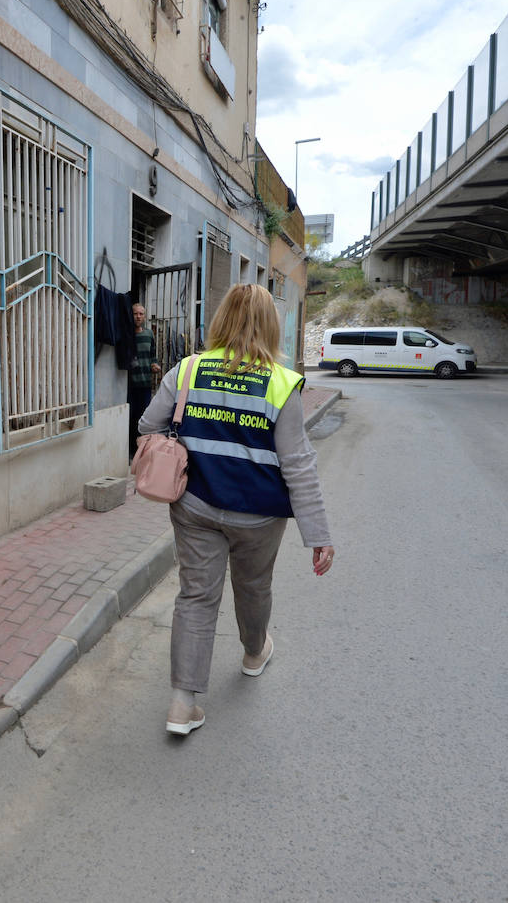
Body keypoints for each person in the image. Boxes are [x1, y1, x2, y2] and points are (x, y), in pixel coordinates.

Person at [137, 283, 334, 737]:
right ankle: (252, 652)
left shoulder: (186, 371)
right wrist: (318, 533)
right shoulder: (281, 384)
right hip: (259, 516)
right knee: (253, 586)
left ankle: (182, 705)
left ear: (221, 319)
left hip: (195, 506)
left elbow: (149, 425)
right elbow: (298, 465)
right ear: (270, 326)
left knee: (196, 596)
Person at [128, 303, 162, 458]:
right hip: (130, 385)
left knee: (144, 418)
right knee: (131, 418)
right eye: (136, 314)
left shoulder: (149, 334)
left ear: (145, 316)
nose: (138, 317)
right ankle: (130, 450)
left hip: (145, 384)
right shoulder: (127, 335)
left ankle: (141, 450)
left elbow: (152, 355)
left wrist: (154, 364)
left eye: (141, 314)